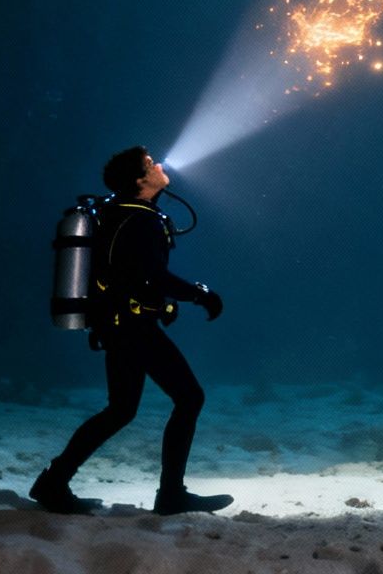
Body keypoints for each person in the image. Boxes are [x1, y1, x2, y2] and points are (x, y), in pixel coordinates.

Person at [30, 146, 230, 515]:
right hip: (132, 328)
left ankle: (53, 482)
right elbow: (151, 275)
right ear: (141, 181)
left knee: (120, 410)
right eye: (151, 163)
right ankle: (170, 494)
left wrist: (163, 303)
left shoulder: (122, 214)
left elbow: (130, 276)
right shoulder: (140, 220)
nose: (159, 164)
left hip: (120, 324)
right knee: (189, 398)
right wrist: (200, 294)